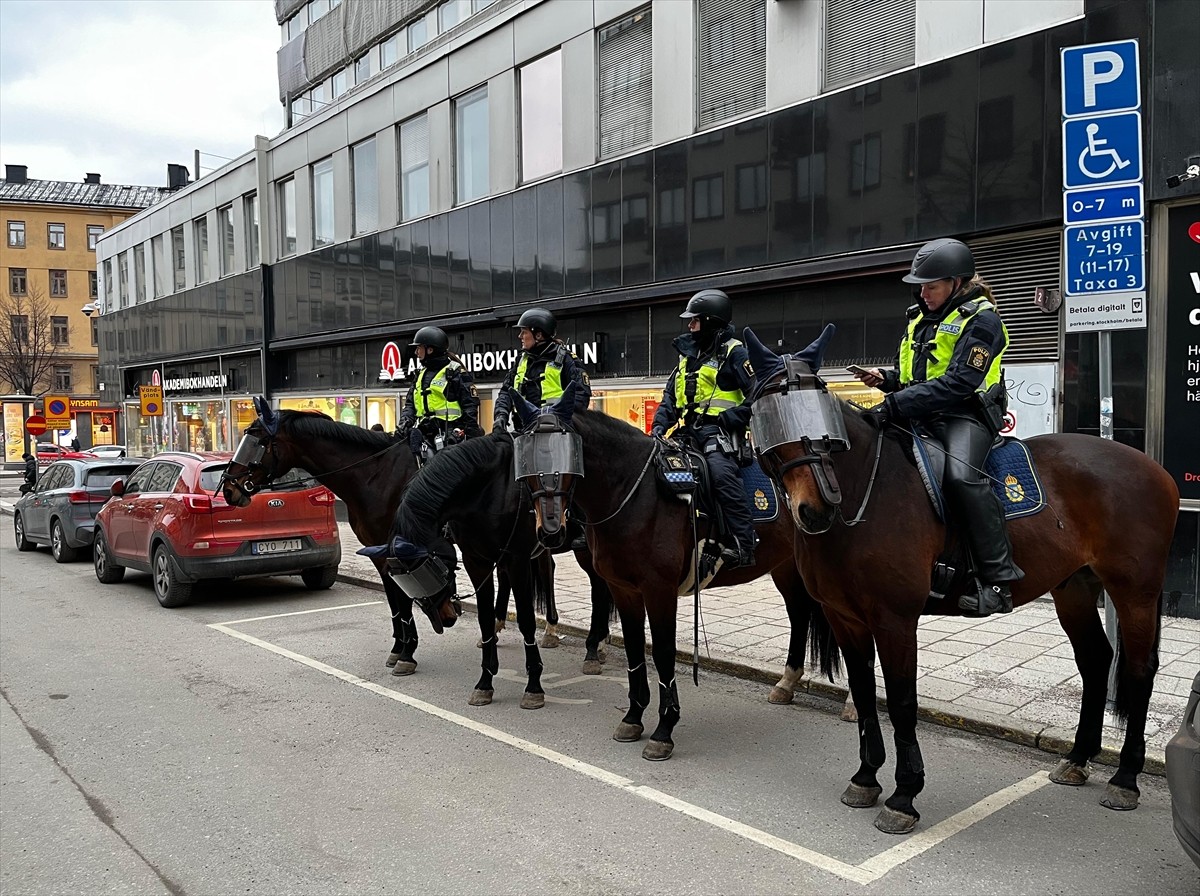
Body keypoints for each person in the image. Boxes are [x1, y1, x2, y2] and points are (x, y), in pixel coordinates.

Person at [853, 238, 1023, 617]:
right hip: (923, 412)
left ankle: (998, 582)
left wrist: (894, 404)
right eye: (921, 285)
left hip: (966, 415)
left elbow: (961, 381)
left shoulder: (983, 320)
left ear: (957, 282)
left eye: (932, 285)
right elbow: (922, 375)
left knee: (962, 478)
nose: (923, 292)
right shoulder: (920, 316)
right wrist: (887, 378)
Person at [650, 288, 757, 569]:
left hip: (718, 433)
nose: (689, 325)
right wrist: (659, 426)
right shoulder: (686, 354)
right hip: (686, 433)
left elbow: (757, 394)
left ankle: (744, 543)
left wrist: (735, 416)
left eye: (694, 320)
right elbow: (670, 398)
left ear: (710, 321)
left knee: (720, 475)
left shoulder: (735, 351)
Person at [492, 308, 591, 432]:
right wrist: (500, 416)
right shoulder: (521, 360)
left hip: (556, 435)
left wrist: (561, 422)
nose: (520, 336)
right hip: (523, 433)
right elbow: (506, 392)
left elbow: (580, 396)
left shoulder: (566, 360)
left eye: (524, 332)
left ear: (538, 335)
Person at [399, 325, 483, 458]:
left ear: (430, 349)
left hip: (450, 433)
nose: (416, 352)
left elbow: (470, 406)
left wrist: (468, 434)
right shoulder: (420, 375)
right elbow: (410, 404)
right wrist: (404, 423)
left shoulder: (455, 372)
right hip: (424, 432)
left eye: (419, 348)